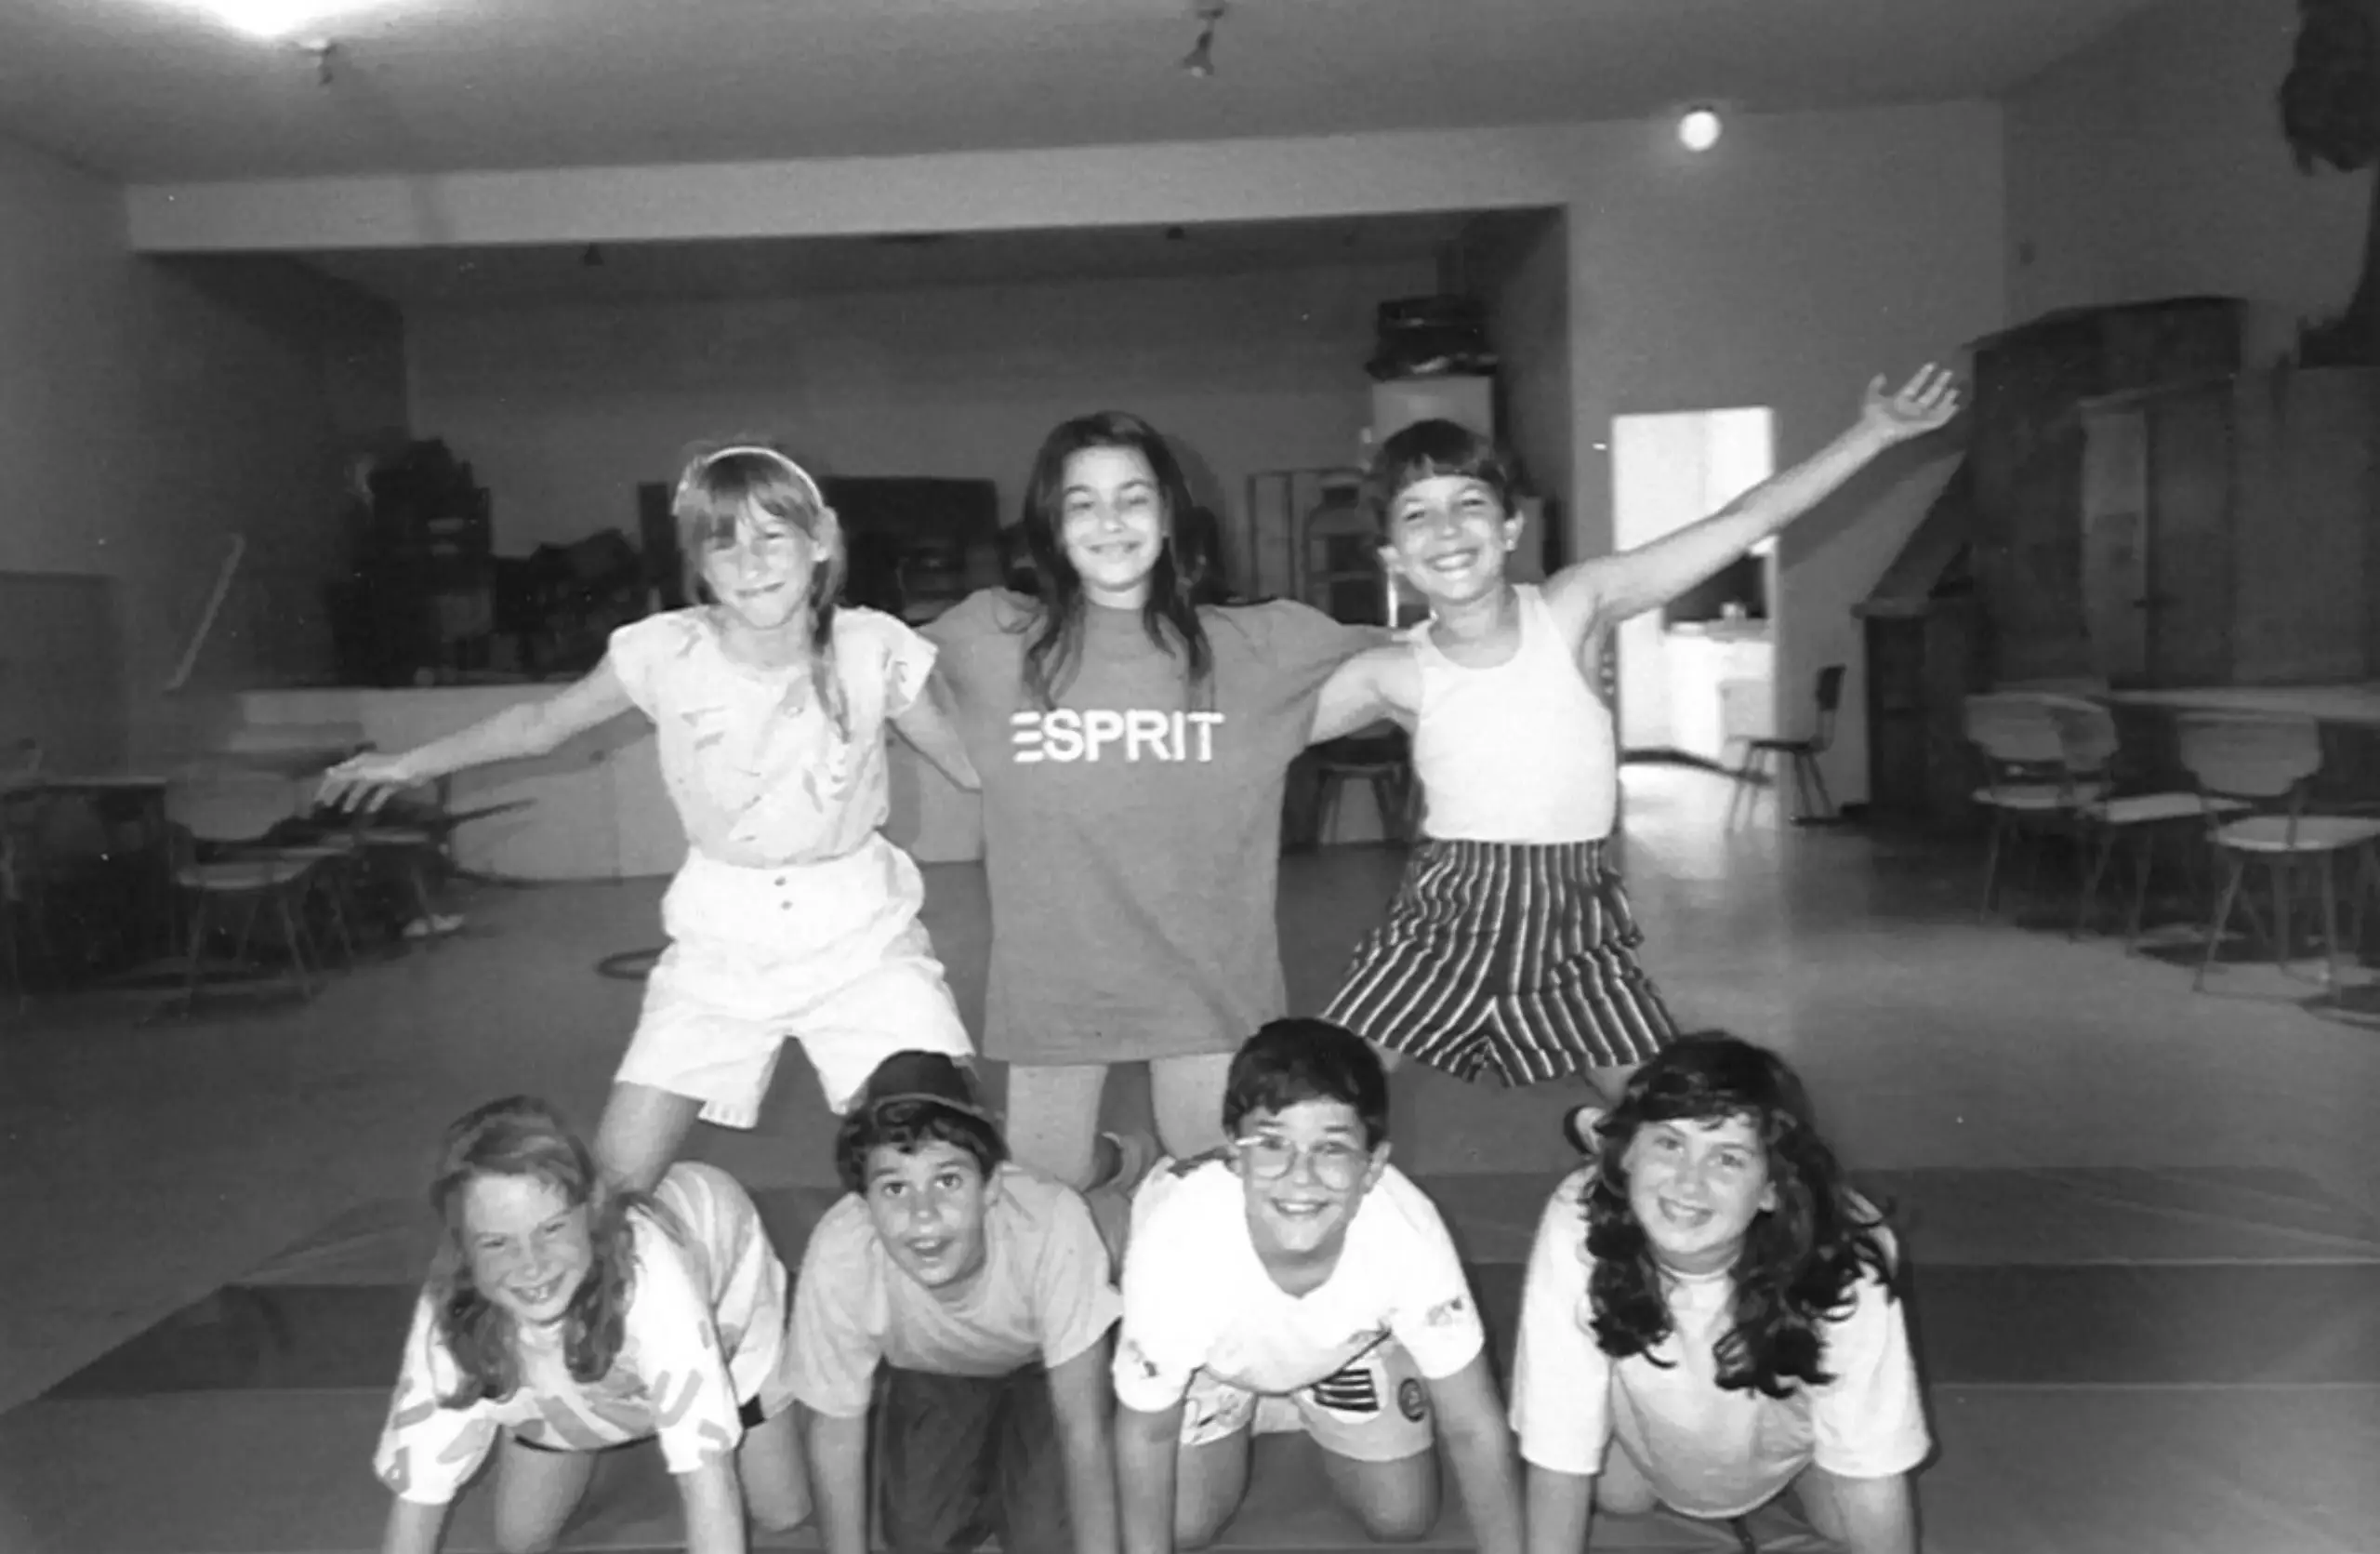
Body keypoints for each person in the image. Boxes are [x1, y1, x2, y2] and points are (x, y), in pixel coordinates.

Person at [321, 443, 979, 1192]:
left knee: (936, 1151)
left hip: (863, 933)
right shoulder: (665, 651)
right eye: (721, 543)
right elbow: (541, 722)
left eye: (772, 537)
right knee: (617, 1187)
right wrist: (409, 763)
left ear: (820, 538)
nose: (750, 563)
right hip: (718, 938)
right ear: (696, 561)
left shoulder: (875, 647)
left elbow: (973, 764)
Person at [1315, 366, 1964, 1110]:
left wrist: (1874, 433)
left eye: (1470, 504)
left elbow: (1742, 521)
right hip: (1442, 919)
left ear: (1510, 527)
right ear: (1392, 556)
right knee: (1326, 1096)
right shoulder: (1389, 670)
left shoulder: (1572, 605)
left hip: (1573, 926)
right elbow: (1244, 740)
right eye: (1417, 515)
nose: (1449, 530)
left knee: (1670, 1117)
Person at [922, 412, 1385, 1200]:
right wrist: (959, 761)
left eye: (1133, 498)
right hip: (1058, 983)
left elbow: (1425, 664)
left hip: (1204, 982)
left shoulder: (1256, 645)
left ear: (1169, 516)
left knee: (1207, 1175)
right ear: (1052, 524)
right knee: (1047, 1179)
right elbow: (866, 668)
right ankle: (1120, 1161)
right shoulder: (990, 636)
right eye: (1083, 503)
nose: (1110, 522)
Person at [1110, 1018, 1524, 1554]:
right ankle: (1244, 1398)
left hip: (1339, 1348)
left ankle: (1313, 1384)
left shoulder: (1406, 1231)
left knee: (1401, 1515)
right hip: (1213, 1360)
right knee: (1179, 1527)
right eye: (1273, 1144)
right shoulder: (1175, 1244)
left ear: (1372, 1167)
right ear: (1234, 1152)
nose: (1300, 1177)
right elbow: (1146, 1432)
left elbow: (1473, 1423)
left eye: (1331, 1149)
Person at [1509, 1034, 1928, 1554]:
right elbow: (1557, 1442)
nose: (1690, 1183)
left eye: (1727, 1159)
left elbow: (1874, 1466)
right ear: (1627, 1159)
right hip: (1643, 1443)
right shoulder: (1576, 1222)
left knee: (1845, 1520)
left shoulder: (1846, 1262)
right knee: (1620, 1493)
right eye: (1669, 1144)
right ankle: (1607, 1132)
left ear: (1772, 1187)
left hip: (1785, 1443)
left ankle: (1627, 1130)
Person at [373, 1096, 809, 1554]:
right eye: (498, 1243)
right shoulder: (450, 1314)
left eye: (552, 1229)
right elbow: (417, 1497)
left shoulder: (653, 1280)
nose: (531, 1265)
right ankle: (584, 1416)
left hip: (723, 1305)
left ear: (592, 1213)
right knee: (520, 1539)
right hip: (572, 1373)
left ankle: (646, 1406)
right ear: (464, 1250)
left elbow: (709, 1478)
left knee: (783, 1512)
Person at [790, 1050, 1126, 1554]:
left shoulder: (1054, 1222)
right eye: (895, 1188)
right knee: (917, 1537)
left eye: (948, 1181)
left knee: (1047, 1538)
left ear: (991, 1185)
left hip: (1045, 1367)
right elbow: (835, 1437)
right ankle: (981, 1460)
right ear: (864, 1204)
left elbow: (1084, 1431)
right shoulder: (841, 1251)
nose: (923, 1217)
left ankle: (1126, 1164)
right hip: (936, 1372)